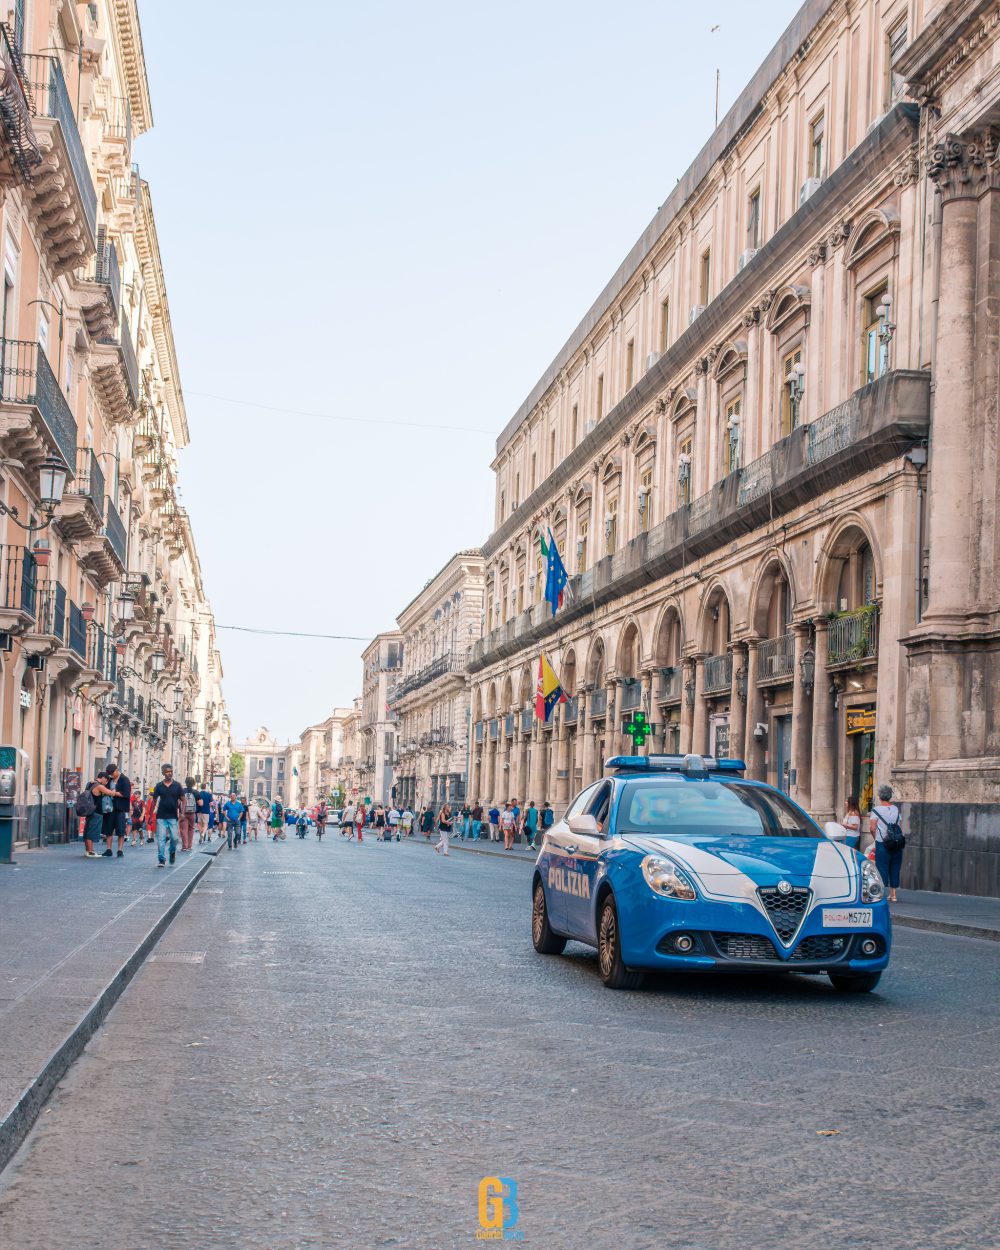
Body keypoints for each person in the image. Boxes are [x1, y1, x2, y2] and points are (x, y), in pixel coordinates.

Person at [870, 784, 904, 903]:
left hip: (882, 843)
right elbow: (900, 825)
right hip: (896, 843)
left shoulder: (876, 810)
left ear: (880, 796)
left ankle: (882, 894)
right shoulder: (896, 809)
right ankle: (893, 895)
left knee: (882, 867)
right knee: (895, 866)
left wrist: (876, 838)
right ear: (890, 796)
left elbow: (872, 828)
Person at [150, 764, 184, 867]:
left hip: (173, 816)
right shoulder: (159, 786)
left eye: (171, 771)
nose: (170, 773)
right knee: (161, 839)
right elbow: (154, 800)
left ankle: (172, 851)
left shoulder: (177, 785)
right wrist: (151, 815)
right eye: (167, 771)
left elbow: (183, 799)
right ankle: (161, 859)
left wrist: (182, 812)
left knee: (175, 838)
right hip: (161, 816)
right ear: (163, 773)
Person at [102, 762, 132, 858]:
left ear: (116, 770)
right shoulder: (109, 780)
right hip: (109, 808)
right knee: (108, 829)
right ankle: (109, 849)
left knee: (120, 830)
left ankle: (120, 850)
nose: (111, 775)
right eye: (109, 773)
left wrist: (113, 793)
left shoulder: (124, 780)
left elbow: (126, 794)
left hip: (120, 808)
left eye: (112, 773)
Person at [77, 771, 108, 857]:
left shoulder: (89, 784)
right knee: (92, 831)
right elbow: (111, 793)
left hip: (89, 811)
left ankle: (88, 850)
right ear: (103, 778)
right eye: (106, 781)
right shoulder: (99, 786)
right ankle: (90, 851)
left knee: (88, 831)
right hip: (96, 811)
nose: (106, 783)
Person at [179, 776, 198, 852]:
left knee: (183, 830)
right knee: (191, 829)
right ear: (193, 783)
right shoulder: (196, 792)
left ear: (186, 783)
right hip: (192, 812)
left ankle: (184, 846)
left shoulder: (182, 791)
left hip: (183, 812)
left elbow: (178, 802)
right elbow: (201, 803)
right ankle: (190, 846)